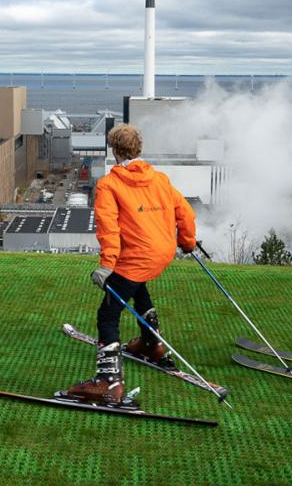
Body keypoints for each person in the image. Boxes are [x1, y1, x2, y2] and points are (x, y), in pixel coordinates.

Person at [60, 123, 197, 405]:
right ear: (139, 148)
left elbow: (108, 228)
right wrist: (188, 242)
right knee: (137, 286)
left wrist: (107, 265)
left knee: (107, 315)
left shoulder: (110, 185)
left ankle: (108, 383)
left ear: (114, 150)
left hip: (135, 257)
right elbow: (185, 211)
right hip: (160, 252)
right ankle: (151, 344)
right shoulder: (159, 178)